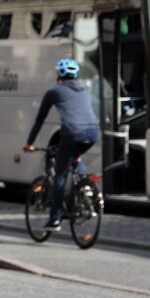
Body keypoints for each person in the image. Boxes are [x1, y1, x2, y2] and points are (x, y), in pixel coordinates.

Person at [23, 58, 100, 232]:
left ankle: (55, 219)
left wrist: (29, 143)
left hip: (72, 133)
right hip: (93, 133)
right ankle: (84, 187)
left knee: (60, 175)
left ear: (59, 75)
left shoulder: (54, 92)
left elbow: (39, 120)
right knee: (76, 157)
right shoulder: (85, 91)